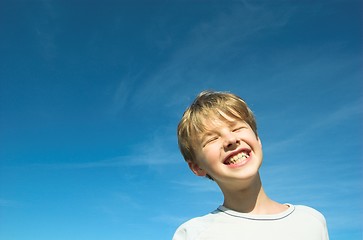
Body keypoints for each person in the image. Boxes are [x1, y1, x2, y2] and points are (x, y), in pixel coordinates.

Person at [173, 90, 329, 240]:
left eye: (237, 128)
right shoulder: (192, 234)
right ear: (197, 167)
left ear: (257, 140)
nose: (231, 140)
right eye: (212, 139)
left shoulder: (311, 220)